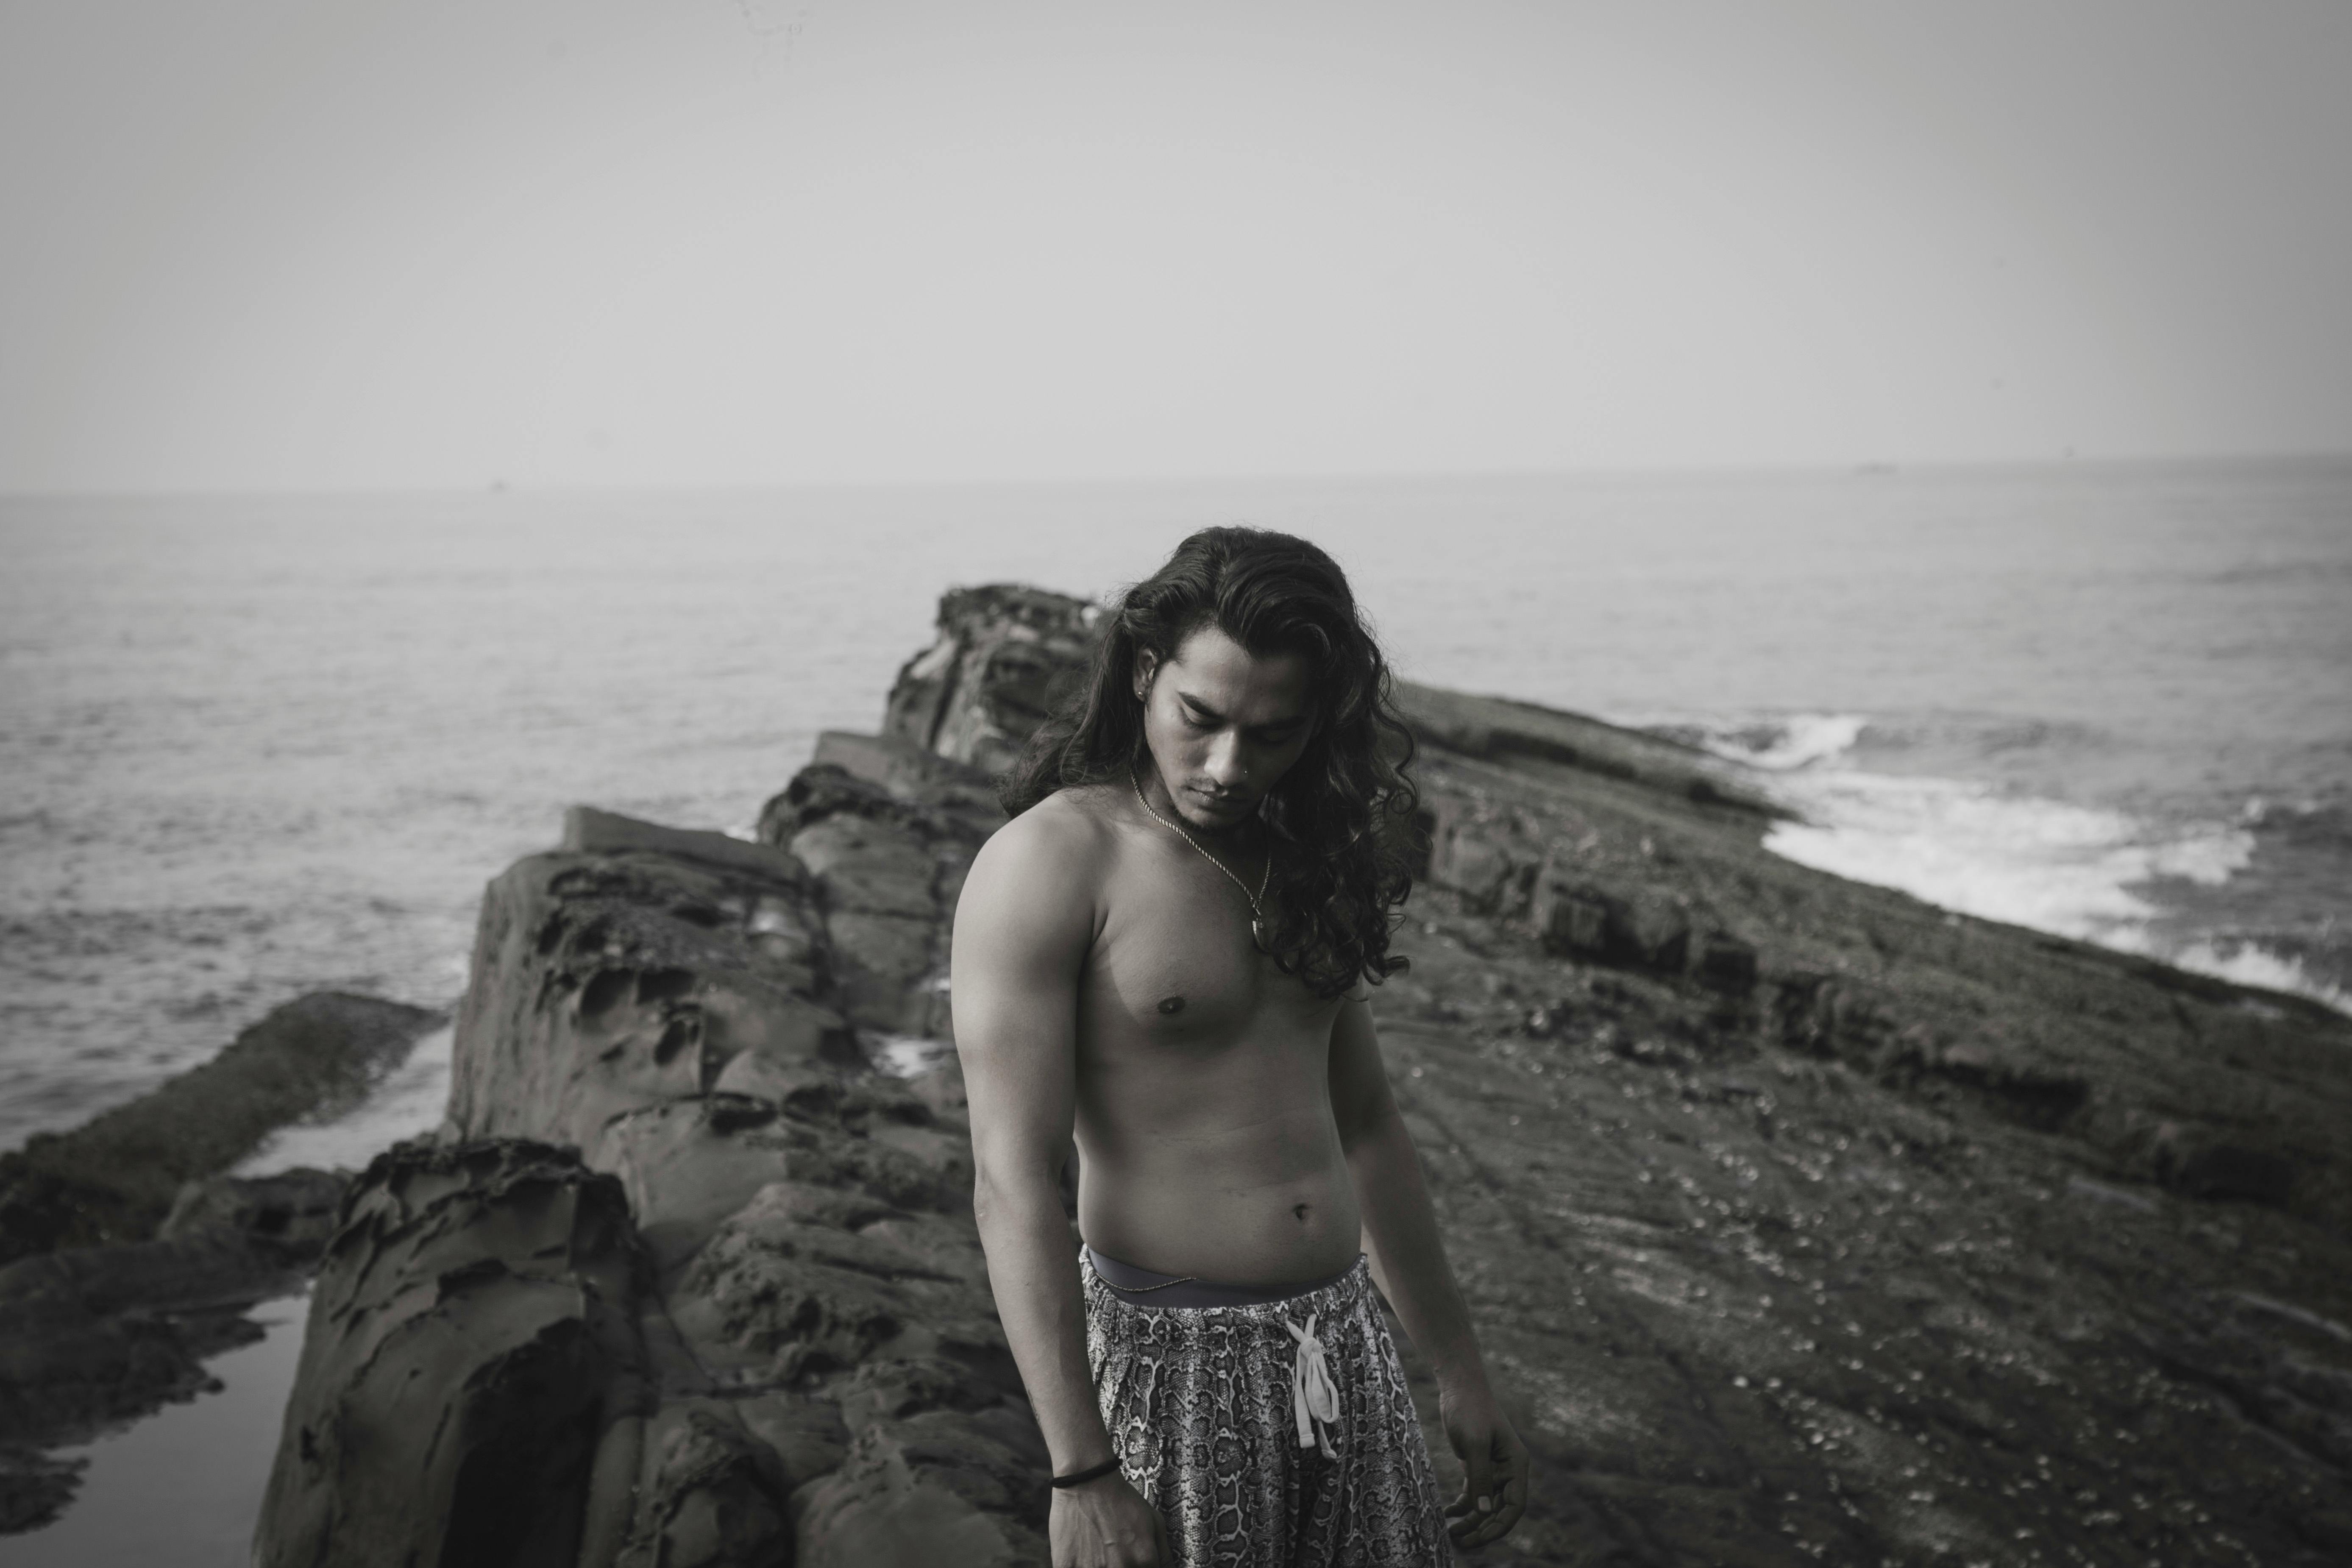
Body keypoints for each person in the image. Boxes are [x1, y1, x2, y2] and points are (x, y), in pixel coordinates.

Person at [952, 526, 1529, 1568]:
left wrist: (1458, 1365)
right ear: (1142, 674)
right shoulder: (1050, 862)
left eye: (1272, 733)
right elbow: (1013, 1179)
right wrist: (1079, 1471)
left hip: (1345, 1343)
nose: (1227, 765)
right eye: (1200, 718)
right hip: (1173, 1367)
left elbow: (1365, 1121)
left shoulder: (1309, 850)